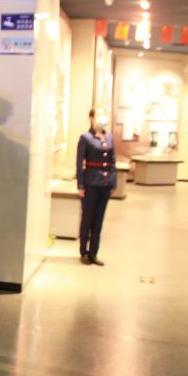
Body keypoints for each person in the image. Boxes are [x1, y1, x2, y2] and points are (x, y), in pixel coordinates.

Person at [77, 108, 116, 266]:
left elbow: (112, 161)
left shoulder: (109, 137)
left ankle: (94, 253)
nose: (103, 118)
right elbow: (79, 163)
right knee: (87, 219)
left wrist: (113, 182)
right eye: (99, 115)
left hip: (105, 185)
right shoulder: (86, 138)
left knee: (99, 220)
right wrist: (80, 185)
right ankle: (83, 252)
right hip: (90, 184)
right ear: (92, 118)